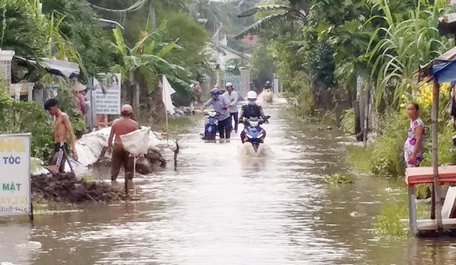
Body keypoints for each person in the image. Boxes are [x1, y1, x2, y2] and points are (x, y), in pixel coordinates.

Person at [44, 98, 78, 173]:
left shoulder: (63, 116)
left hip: (62, 146)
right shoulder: (56, 119)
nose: (49, 112)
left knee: (57, 168)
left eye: (50, 110)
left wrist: (74, 149)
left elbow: (71, 132)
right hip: (57, 145)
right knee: (55, 167)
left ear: (54, 107)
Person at [107, 104, 139, 182]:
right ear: (131, 114)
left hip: (117, 147)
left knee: (115, 168)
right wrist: (138, 151)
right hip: (129, 148)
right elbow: (137, 139)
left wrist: (109, 147)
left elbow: (111, 136)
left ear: (121, 113)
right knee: (129, 170)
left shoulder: (115, 122)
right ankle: (129, 187)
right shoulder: (134, 124)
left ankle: (113, 184)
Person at [404, 102, 425, 168]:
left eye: (412, 109)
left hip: (414, 153)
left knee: (413, 171)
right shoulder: (412, 121)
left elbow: (418, 139)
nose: (409, 111)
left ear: (416, 111)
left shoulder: (418, 123)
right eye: (408, 109)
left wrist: (414, 154)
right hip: (410, 151)